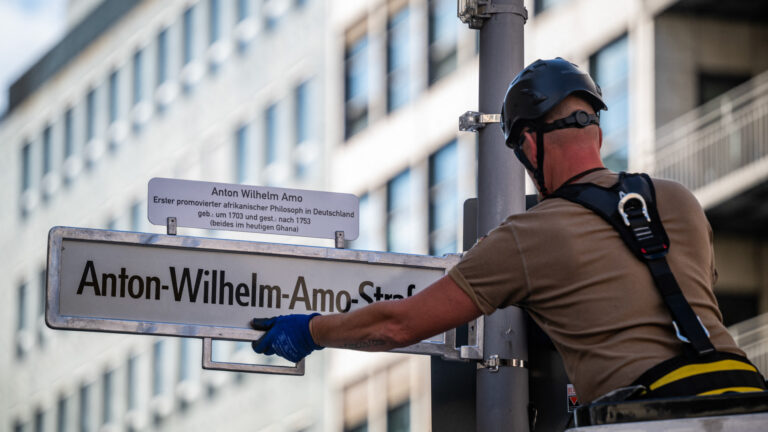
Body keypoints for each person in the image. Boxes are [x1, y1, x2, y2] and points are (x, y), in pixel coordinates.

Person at [251, 58, 766, 405]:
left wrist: (312, 329)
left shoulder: (529, 235)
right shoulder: (677, 199)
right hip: (744, 395)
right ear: (598, 131)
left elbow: (397, 325)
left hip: (646, 413)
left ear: (528, 144)